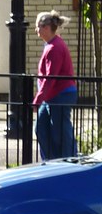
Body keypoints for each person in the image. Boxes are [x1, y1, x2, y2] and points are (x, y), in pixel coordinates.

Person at [33, 10, 78, 160]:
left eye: (38, 26)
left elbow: (51, 77)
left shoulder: (55, 47)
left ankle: (68, 160)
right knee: (41, 128)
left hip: (61, 94)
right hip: (51, 96)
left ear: (46, 27)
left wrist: (38, 99)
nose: (36, 30)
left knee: (60, 131)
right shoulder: (51, 45)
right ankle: (52, 161)